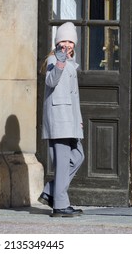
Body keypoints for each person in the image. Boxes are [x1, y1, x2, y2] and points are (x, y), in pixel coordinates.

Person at [38, 22, 85, 217]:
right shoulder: (53, 59)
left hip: (70, 119)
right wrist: (59, 63)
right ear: (57, 42)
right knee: (64, 161)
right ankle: (59, 204)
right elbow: (50, 80)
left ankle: (51, 192)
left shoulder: (71, 62)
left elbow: (74, 96)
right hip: (59, 118)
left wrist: (79, 120)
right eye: (63, 40)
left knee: (78, 157)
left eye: (70, 41)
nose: (67, 44)